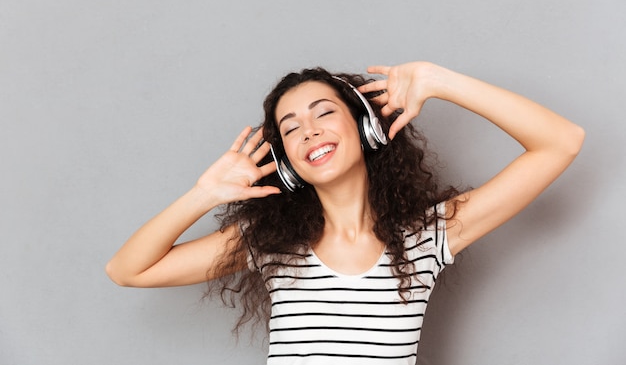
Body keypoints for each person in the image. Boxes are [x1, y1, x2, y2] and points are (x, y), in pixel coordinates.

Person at [106, 61, 584, 364]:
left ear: (366, 129)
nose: (309, 131)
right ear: (287, 162)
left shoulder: (430, 236)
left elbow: (561, 143)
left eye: (324, 113)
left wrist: (441, 81)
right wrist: (203, 195)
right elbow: (128, 270)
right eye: (290, 129)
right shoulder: (270, 242)